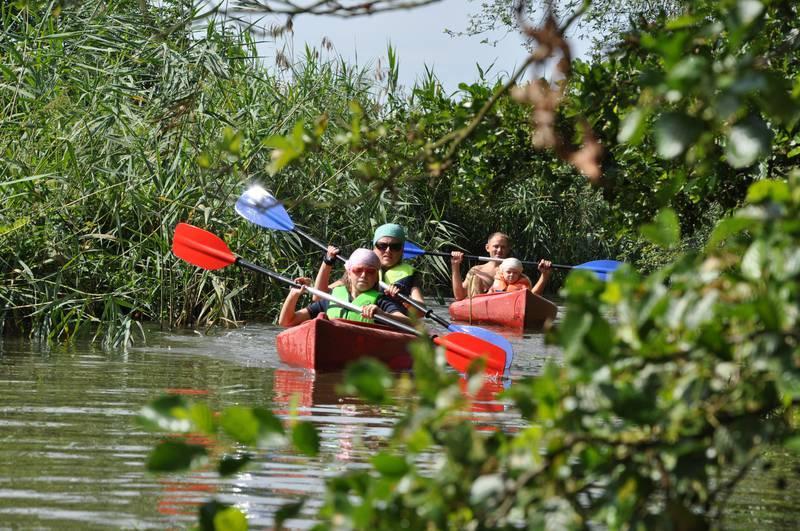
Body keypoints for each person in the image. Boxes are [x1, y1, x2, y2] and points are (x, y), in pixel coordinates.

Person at [278, 248, 411, 327]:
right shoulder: (330, 299)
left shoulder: (381, 301)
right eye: (358, 270)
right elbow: (286, 321)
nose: (363, 275)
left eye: (370, 271)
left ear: (376, 276)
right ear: (349, 272)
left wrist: (382, 314)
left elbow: (411, 323)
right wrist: (293, 295)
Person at [451, 232, 552, 300]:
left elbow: (532, 299)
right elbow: (459, 296)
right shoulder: (476, 270)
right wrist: (455, 266)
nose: (499, 250)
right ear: (487, 248)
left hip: (508, 311)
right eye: (496, 246)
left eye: (503, 247)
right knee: (475, 279)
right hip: (480, 313)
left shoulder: (514, 271)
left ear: (508, 249)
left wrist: (544, 276)